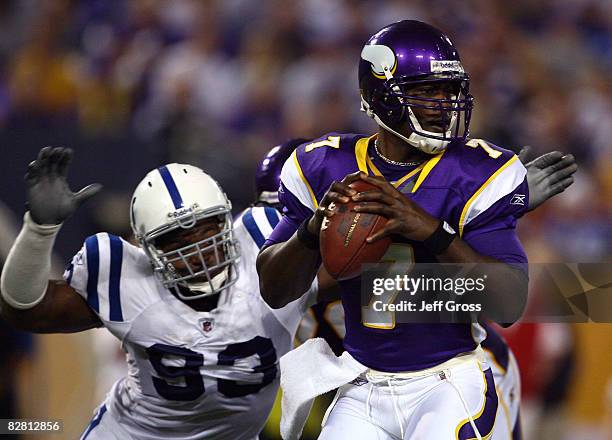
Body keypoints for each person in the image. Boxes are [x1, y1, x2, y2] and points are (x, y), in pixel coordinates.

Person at [256, 20, 577, 439]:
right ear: (380, 94)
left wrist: (430, 229)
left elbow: (508, 303)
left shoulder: (476, 170)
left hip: (447, 379)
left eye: (449, 90)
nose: (444, 103)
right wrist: (311, 232)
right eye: (428, 90)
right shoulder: (323, 166)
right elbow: (275, 289)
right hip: (361, 382)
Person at [0, 147, 316, 440]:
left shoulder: (265, 250)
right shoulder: (123, 278)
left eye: (208, 230)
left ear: (227, 220)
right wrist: (38, 230)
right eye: (177, 242)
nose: (199, 253)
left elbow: (359, 280)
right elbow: (24, 311)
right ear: (148, 250)